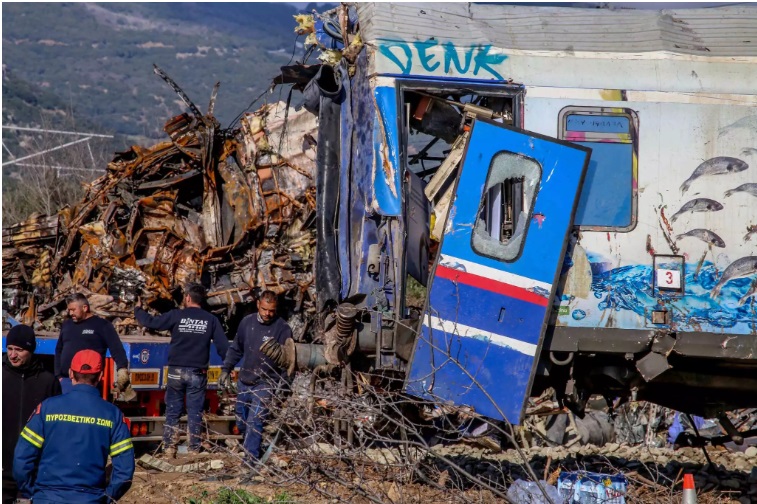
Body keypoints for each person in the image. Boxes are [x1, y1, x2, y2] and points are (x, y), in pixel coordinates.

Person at [13, 349, 135, 503]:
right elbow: (125, 471)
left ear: (71, 373)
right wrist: (108, 497)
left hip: (47, 498)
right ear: (101, 376)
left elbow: (22, 458)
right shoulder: (113, 415)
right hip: (90, 499)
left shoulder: (46, 408)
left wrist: (32, 492)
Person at [134, 282, 230, 456]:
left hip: (176, 371)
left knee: (173, 410)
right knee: (195, 411)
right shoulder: (211, 320)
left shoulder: (177, 315)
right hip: (197, 373)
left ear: (187, 298)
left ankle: (170, 448)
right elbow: (223, 347)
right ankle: (194, 449)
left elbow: (152, 323)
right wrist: (228, 368)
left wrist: (138, 310)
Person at [219, 290, 293, 464]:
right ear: (258, 304)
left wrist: (284, 386)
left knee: (255, 421)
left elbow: (289, 361)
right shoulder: (247, 323)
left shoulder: (282, 328)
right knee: (242, 421)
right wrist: (226, 369)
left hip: (266, 383)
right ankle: (254, 448)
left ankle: (250, 461)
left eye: (272, 311)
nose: (268, 314)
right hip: (245, 380)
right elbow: (236, 348)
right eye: (265, 309)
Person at [2, 324, 61, 504]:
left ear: (31, 349)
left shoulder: (47, 381)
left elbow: (56, 428)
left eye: (19, 350)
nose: (12, 355)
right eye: (9, 349)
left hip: (33, 474)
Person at [55, 293, 130, 394]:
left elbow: (116, 348)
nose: (70, 313)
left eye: (73, 310)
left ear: (85, 308)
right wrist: (58, 376)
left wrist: (122, 369)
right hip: (66, 381)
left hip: (89, 382)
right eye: (69, 310)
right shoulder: (67, 325)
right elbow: (59, 349)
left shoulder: (102, 325)